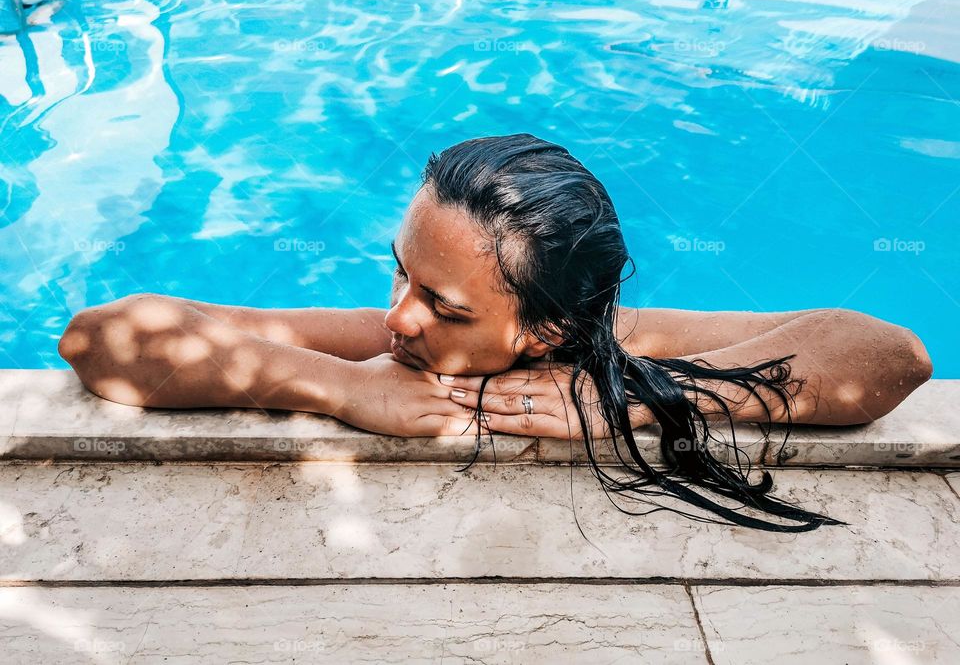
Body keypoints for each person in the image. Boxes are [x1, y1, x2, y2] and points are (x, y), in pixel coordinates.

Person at [59, 133, 933, 532]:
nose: (400, 315)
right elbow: (99, 337)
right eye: (400, 270)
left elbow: (890, 354)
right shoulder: (377, 341)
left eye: (445, 307)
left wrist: (639, 394)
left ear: (546, 330)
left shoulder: (617, 344)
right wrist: (339, 385)